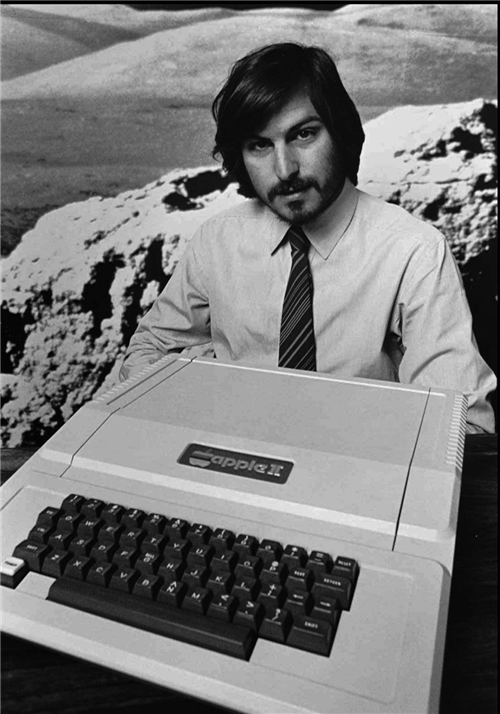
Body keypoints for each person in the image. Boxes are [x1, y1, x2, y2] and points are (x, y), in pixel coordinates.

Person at [120, 42, 496, 434]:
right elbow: (150, 349)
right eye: (259, 145)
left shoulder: (415, 253)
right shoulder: (216, 241)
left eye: (303, 134)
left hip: (356, 460)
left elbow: (463, 426)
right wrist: (205, 413)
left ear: (340, 132)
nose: (285, 170)